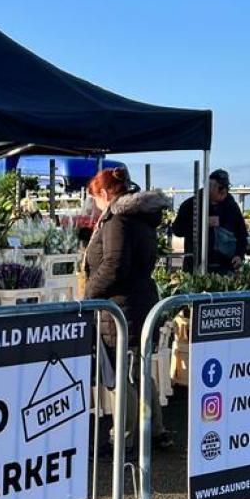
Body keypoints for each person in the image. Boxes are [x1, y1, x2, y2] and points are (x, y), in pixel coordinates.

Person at [83, 167, 175, 451]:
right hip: (140, 301)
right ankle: (154, 430)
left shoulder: (117, 219)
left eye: (94, 197)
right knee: (139, 371)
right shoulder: (140, 217)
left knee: (122, 376)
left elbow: (114, 265)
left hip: (121, 307)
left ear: (104, 193)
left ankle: (124, 440)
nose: (95, 204)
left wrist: (89, 293)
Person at [171, 168, 247, 273]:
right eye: (220, 187)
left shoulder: (231, 206)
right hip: (196, 265)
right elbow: (177, 230)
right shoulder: (190, 205)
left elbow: (242, 233)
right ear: (209, 187)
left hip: (226, 267)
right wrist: (201, 224)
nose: (224, 191)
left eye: (227, 187)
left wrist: (239, 255)